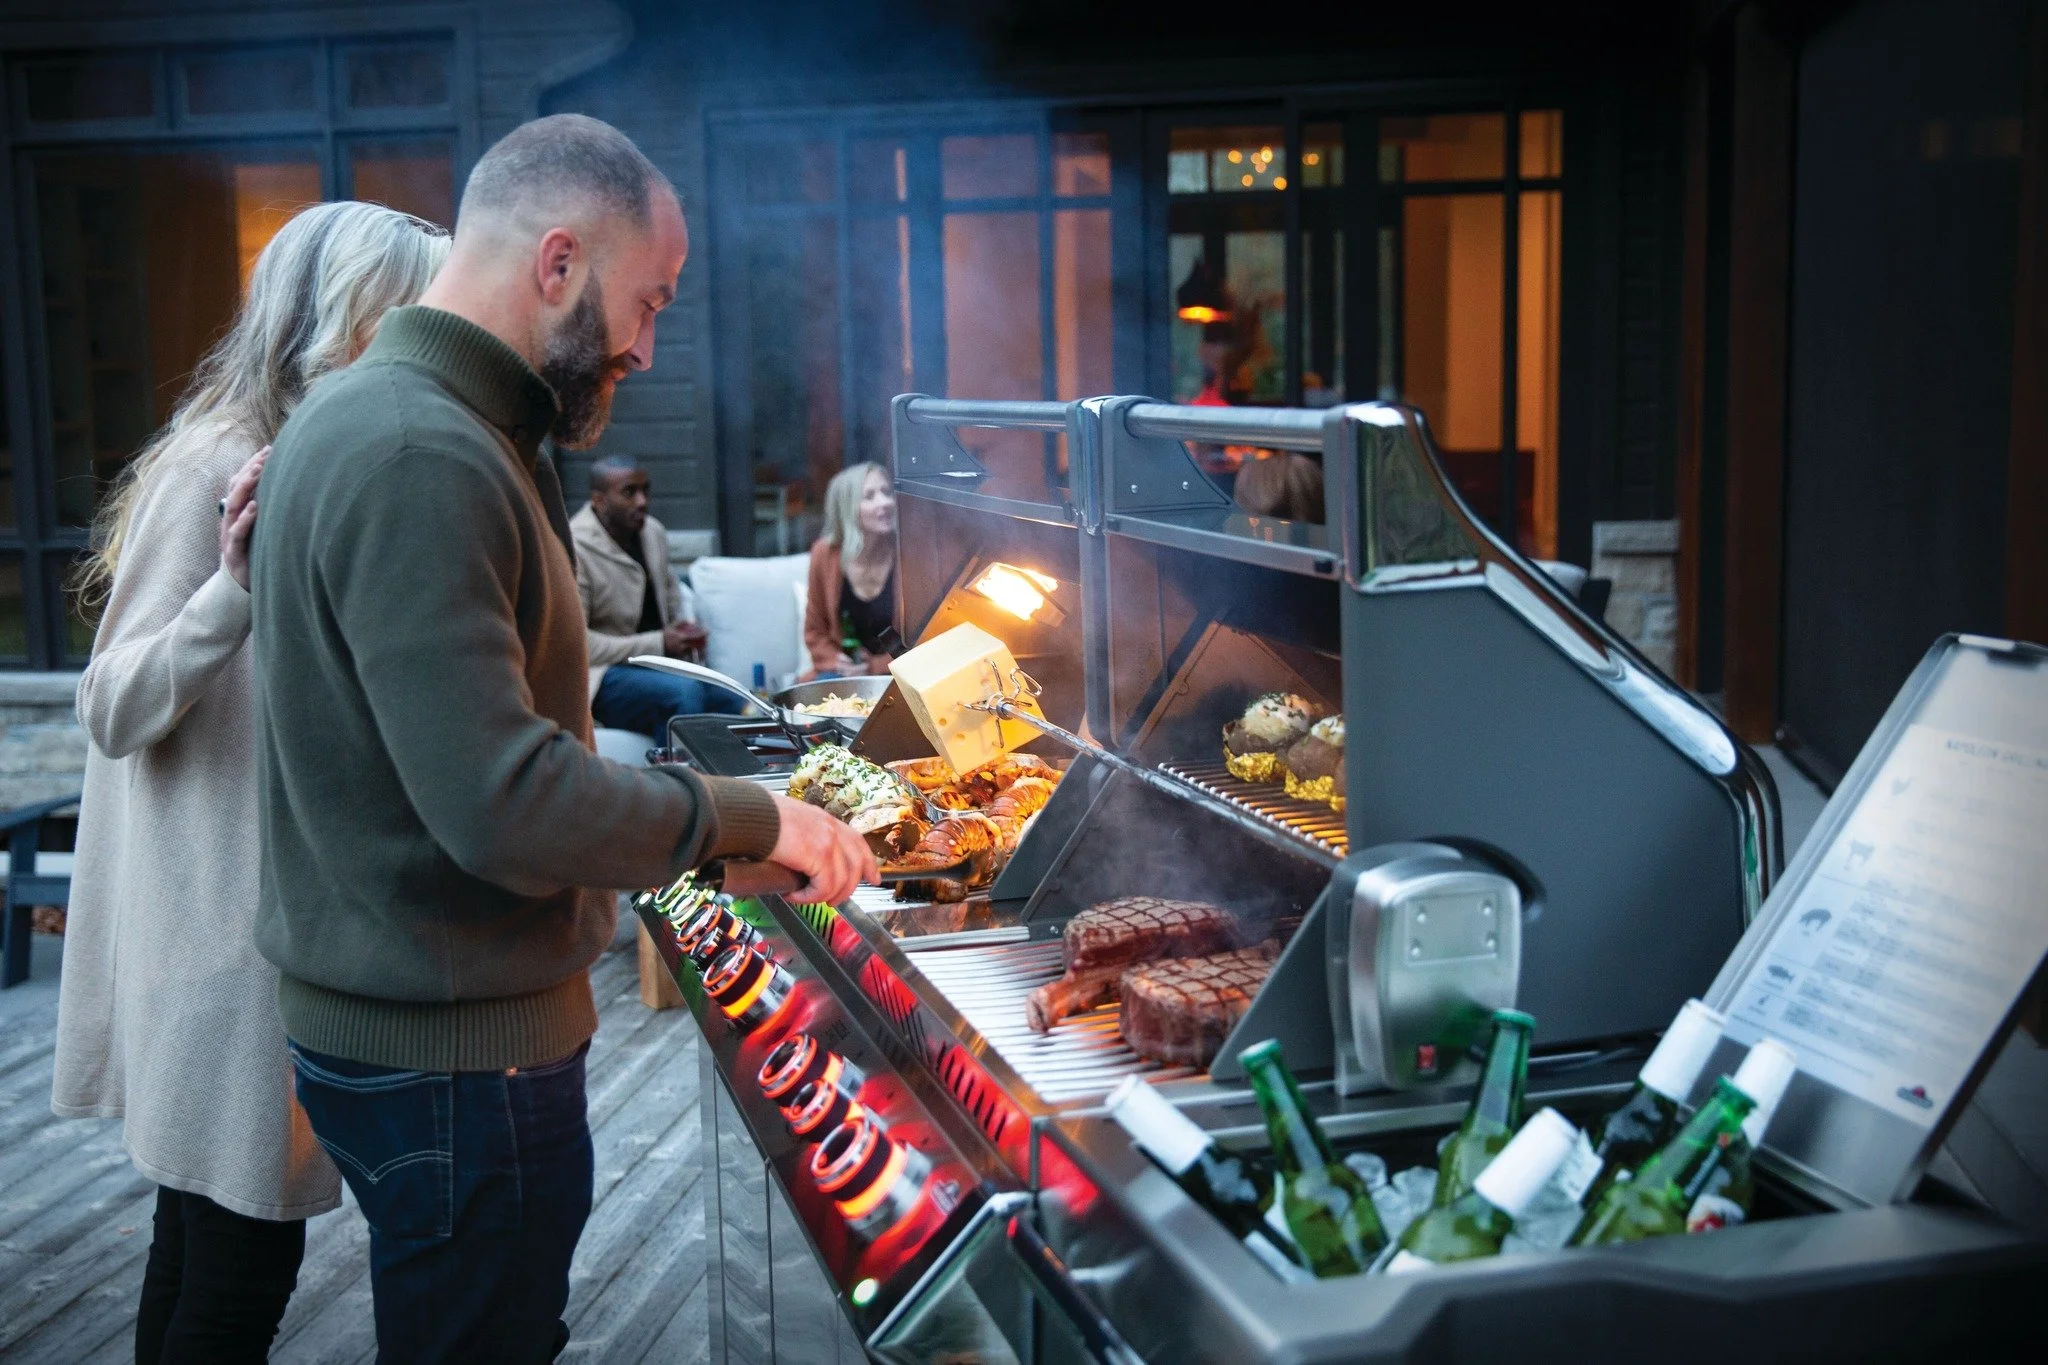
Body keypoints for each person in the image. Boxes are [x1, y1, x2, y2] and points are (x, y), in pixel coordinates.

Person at [247, 114, 876, 1362]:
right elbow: (503, 799)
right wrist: (755, 817)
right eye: (646, 304)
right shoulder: (417, 451)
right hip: (454, 1057)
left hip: (413, 1028)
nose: (647, 347)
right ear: (556, 264)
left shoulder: (406, 423)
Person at [52, 201, 449, 1365]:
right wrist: (229, 588)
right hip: (221, 938)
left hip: (267, 919)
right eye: (409, 310)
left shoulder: (324, 450)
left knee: (202, 1240)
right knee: (239, 1260)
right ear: (343, 317)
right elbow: (112, 700)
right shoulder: (214, 461)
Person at [571, 453, 746, 738]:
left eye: (645, 490)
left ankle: (746, 780)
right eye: (629, 493)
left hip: (660, 668)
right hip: (605, 676)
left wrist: (684, 632)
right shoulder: (575, 548)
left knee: (734, 698)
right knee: (682, 693)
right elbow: (579, 644)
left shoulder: (652, 533)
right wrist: (659, 642)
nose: (642, 502)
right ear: (599, 500)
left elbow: (671, 599)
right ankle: (685, 782)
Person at [804, 461, 899, 676]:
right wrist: (837, 663)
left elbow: (921, 635)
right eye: (870, 496)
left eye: (886, 492)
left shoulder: (907, 554)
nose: (884, 502)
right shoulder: (824, 554)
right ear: (847, 507)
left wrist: (873, 668)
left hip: (898, 671)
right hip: (842, 672)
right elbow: (814, 631)